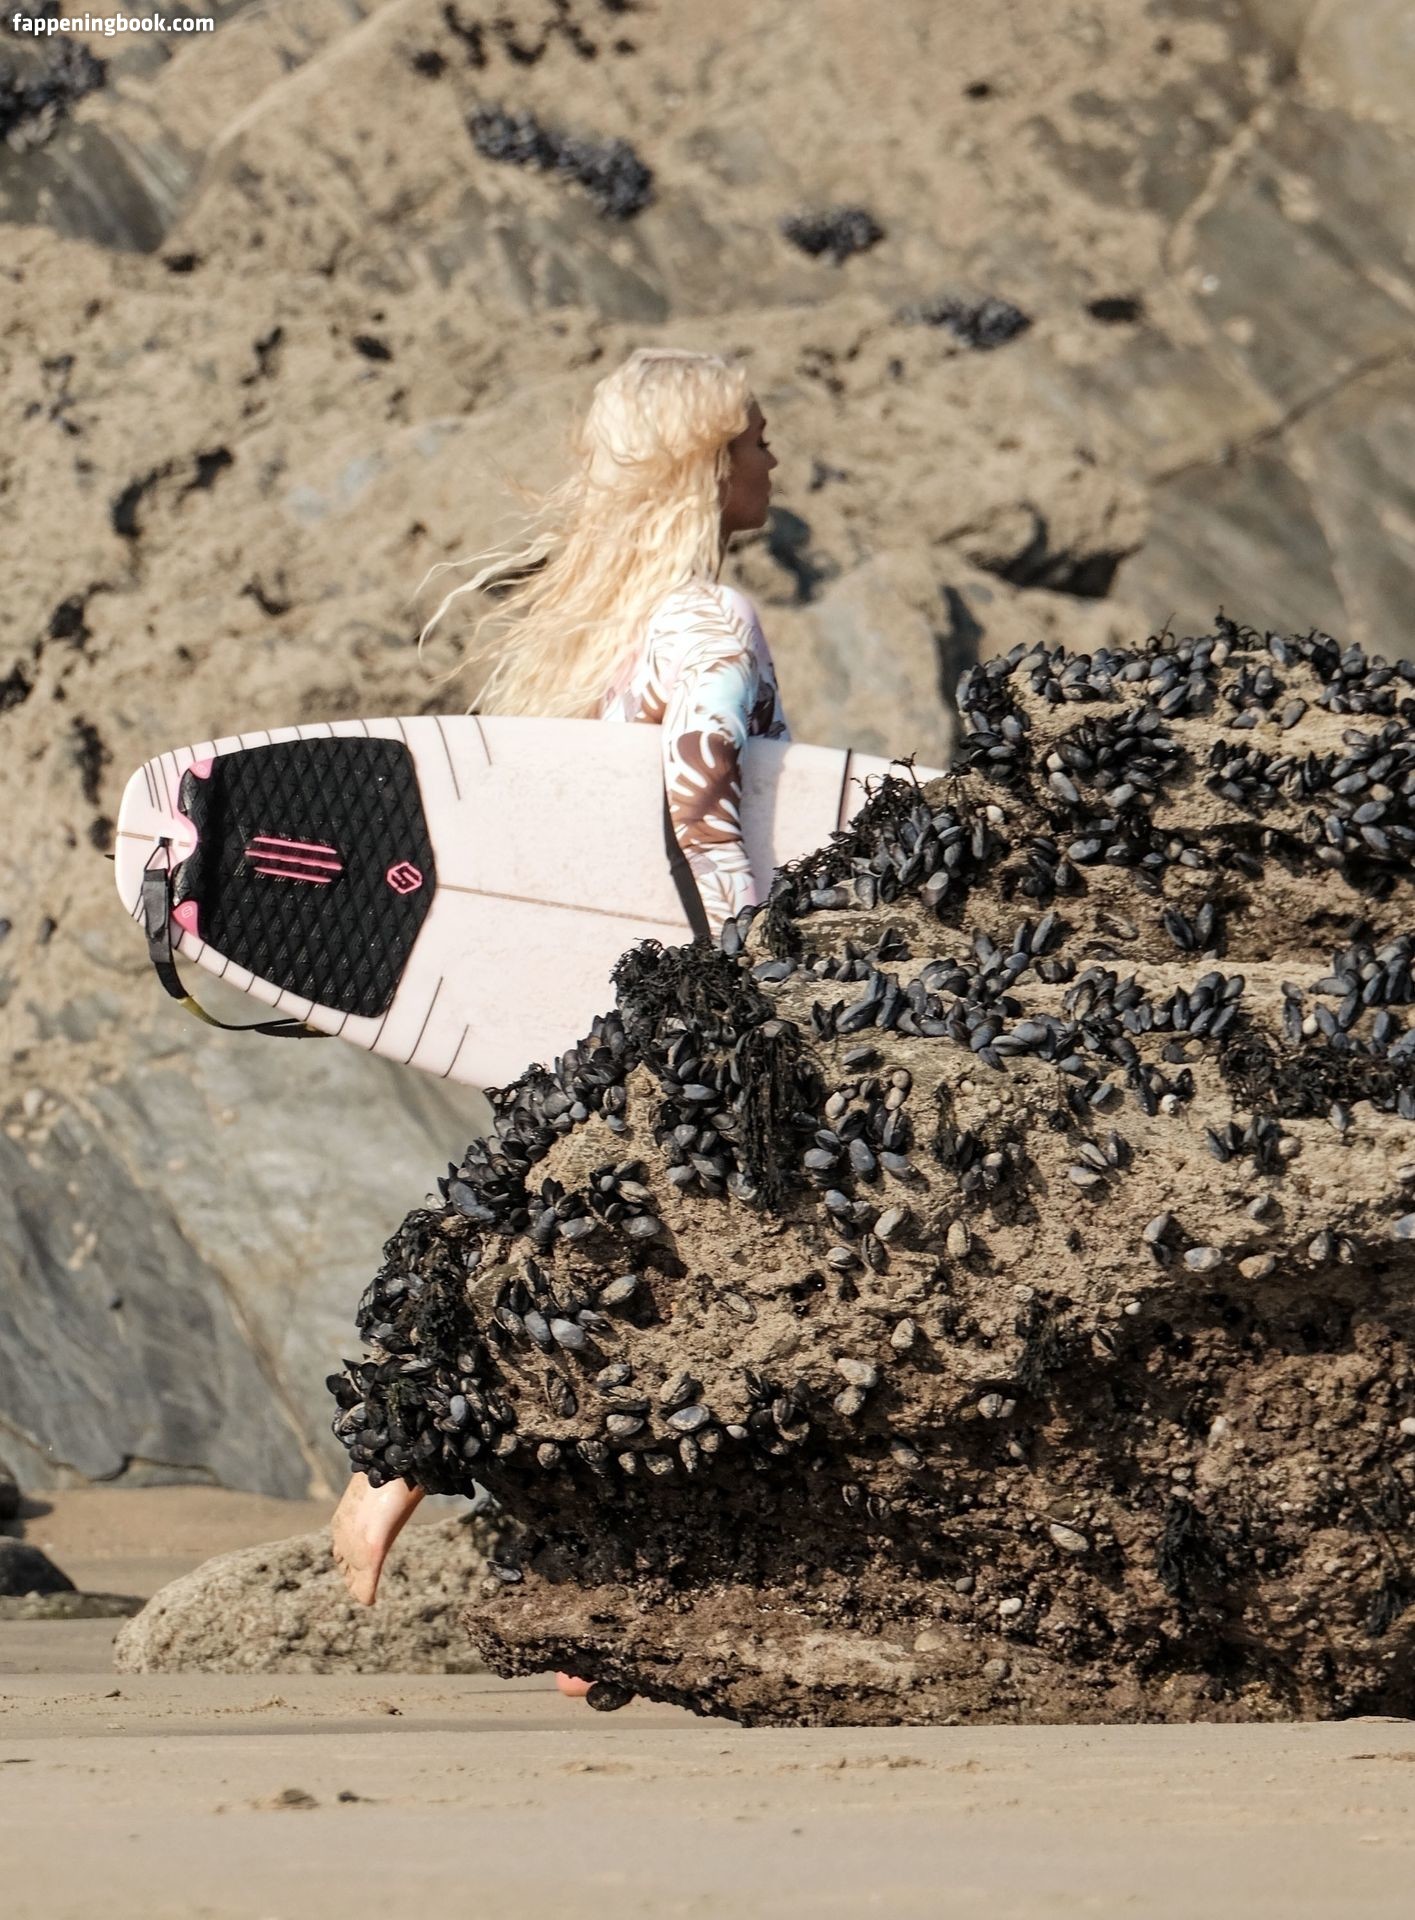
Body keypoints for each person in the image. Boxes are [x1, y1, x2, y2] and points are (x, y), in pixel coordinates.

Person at [330, 347, 786, 1698]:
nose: (776, 461)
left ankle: (573, 1577)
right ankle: (405, 1479)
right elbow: (701, 787)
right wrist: (744, 960)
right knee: (653, 1284)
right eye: (756, 439)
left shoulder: (616, 631)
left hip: (599, 1005)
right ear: (707, 464)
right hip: (685, 998)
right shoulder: (706, 619)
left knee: (623, 1284)